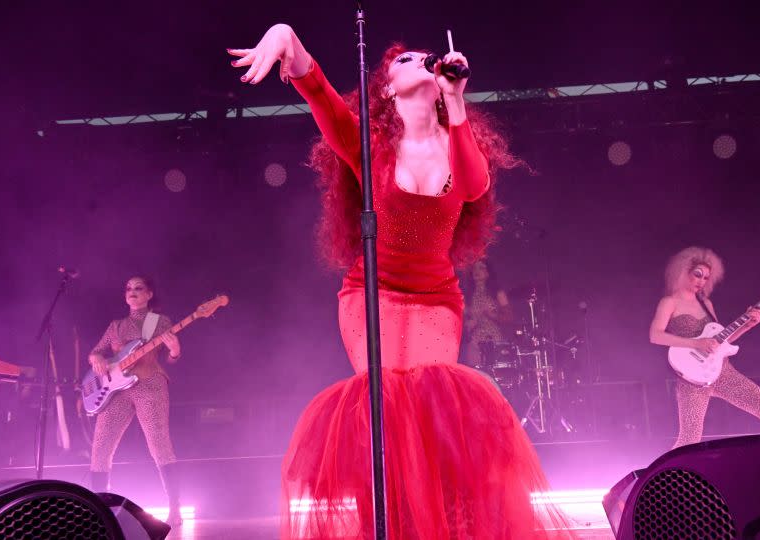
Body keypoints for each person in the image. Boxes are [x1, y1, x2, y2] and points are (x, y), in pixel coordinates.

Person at [229, 24, 572, 538]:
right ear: (387, 88)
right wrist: (285, 36)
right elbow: (318, 90)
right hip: (371, 295)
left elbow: (476, 185)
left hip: (437, 299)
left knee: (435, 415)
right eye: (405, 59)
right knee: (389, 412)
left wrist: (456, 102)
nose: (421, 60)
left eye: (426, 57)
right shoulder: (370, 148)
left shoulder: (459, 143)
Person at [649, 247, 760, 448]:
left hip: (724, 374)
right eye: (697, 274)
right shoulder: (669, 302)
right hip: (691, 382)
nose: (701, 281)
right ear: (684, 272)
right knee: (689, 440)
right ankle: (668, 479)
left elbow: (719, 341)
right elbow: (655, 336)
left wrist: (748, 325)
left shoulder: (706, 303)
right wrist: (696, 343)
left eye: (706, 277)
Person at [87, 276, 183, 525]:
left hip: (149, 384)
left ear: (149, 294)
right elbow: (97, 351)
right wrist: (96, 358)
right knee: (101, 447)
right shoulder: (116, 326)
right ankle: (99, 509)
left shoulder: (160, 322)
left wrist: (175, 351)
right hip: (117, 389)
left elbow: (172, 358)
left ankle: (175, 509)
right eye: (128, 288)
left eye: (138, 288)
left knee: (158, 444)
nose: (132, 292)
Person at [463, 259, 513, 368]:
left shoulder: (497, 293)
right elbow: (462, 321)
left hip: (493, 340)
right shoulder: (468, 296)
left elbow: (509, 318)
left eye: (481, 267)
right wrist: (467, 324)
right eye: (475, 268)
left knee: (492, 373)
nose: (477, 271)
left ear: (488, 272)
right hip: (474, 341)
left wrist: (492, 315)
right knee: (474, 376)